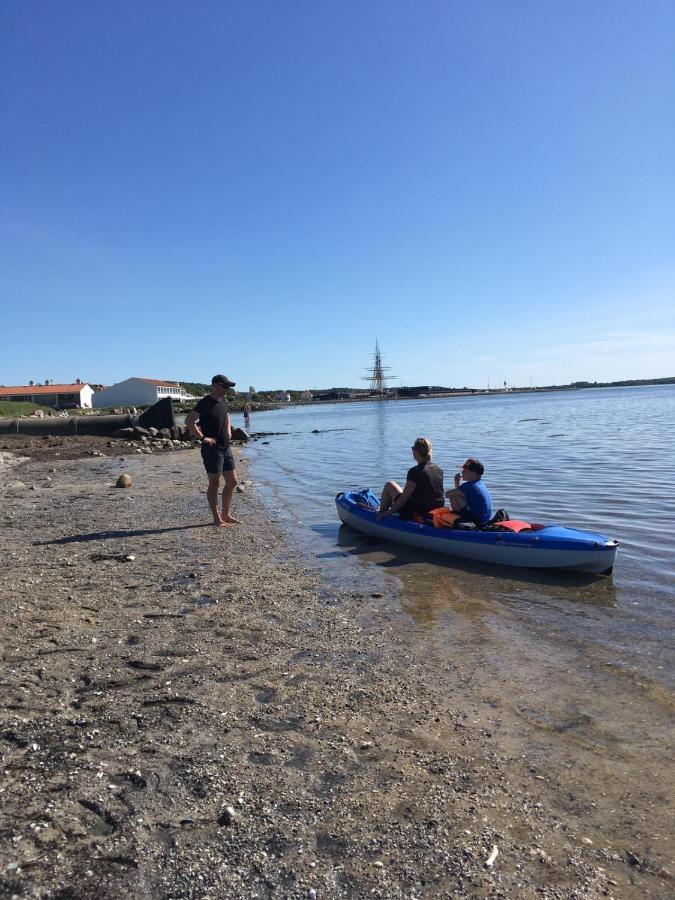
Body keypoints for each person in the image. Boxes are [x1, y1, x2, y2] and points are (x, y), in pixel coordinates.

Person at [185, 374, 241, 527]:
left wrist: (228, 429)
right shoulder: (204, 403)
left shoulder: (223, 400)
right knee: (214, 483)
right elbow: (189, 420)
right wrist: (203, 438)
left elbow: (227, 414)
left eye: (228, 387)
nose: (227, 389)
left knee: (232, 481)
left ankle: (226, 514)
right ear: (216, 385)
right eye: (225, 386)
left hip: (225, 446)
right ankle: (217, 518)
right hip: (212, 449)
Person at [377, 437, 444, 520]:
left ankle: (381, 513)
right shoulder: (439, 469)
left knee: (389, 485)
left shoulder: (414, 471)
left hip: (418, 512)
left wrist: (389, 512)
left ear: (415, 452)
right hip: (437, 509)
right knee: (403, 491)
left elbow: (404, 498)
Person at [445, 457, 493, 526]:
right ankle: (458, 517)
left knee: (453, 495)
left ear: (473, 473)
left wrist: (456, 484)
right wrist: (457, 482)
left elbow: (447, 494)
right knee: (457, 494)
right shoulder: (480, 483)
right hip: (484, 519)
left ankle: (457, 520)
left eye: (465, 470)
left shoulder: (469, 486)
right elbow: (459, 492)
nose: (462, 472)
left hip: (476, 521)